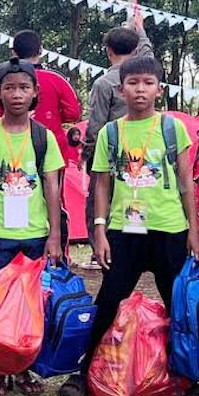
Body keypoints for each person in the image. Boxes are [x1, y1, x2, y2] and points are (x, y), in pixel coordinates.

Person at [57, 55, 199, 396]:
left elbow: (188, 184)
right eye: (133, 83)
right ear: (121, 88)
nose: (140, 90)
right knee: (109, 299)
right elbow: (100, 186)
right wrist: (99, 231)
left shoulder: (173, 129)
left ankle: (193, 378)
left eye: (147, 83)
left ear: (160, 88)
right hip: (124, 232)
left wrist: (194, 228)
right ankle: (83, 370)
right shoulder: (112, 132)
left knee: (178, 304)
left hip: (169, 228)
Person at [0, 57, 65, 396]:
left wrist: (54, 235)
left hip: (34, 235)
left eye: (24, 88)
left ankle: (24, 368)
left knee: (30, 307)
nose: (17, 95)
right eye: (10, 88)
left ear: (35, 92)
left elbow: (52, 184)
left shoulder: (43, 138)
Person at [82, 26, 150, 257]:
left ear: (108, 50)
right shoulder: (145, 79)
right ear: (135, 50)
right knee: (134, 195)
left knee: (100, 202)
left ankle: (102, 248)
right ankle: (135, 245)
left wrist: (89, 153)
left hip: (108, 152)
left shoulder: (104, 83)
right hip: (138, 151)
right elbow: (148, 53)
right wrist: (141, 31)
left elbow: (96, 125)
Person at [0, 29, 82, 166]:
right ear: (41, 50)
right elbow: (74, 113)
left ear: (14, 52)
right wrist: (52, 116)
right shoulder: (56, 80)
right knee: (53, 186)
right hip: (54, 149)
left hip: (13, 149)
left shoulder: (5, 83)